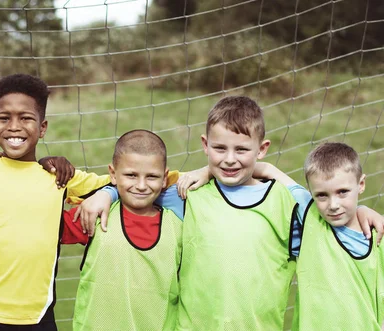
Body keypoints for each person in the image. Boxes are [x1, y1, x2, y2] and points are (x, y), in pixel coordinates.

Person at [79, 96, 384, 330]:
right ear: (205, 145)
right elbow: (138, 188)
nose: (229, 160)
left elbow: (334, 214)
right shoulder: (187, 195)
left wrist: (364, 211)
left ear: (261, 149)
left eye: (241, 150)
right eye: (219, 149)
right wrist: (106, 192)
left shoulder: (286, 203)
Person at [0, 73, 123, 331]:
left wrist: (107, 193)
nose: (14, 126)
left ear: (42, 127)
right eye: (4, 118)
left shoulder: (59, 177)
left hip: (40, 316)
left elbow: (127, 183)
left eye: (25, 118)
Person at [64, 129, 182, 331]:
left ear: (164, 178)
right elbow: (43, 225)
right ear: (113, 174)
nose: (141, 185)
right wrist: (45, 169)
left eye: (152, 177)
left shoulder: (179, 224)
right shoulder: (95, 213)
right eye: (131, 175)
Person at [291, 142, 383, 330]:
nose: (333, 205)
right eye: (322, 195)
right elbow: (266, 170)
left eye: (342, 192)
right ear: (310, 193)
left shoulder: (378, 235)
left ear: (361, 184)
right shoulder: (310, 218)